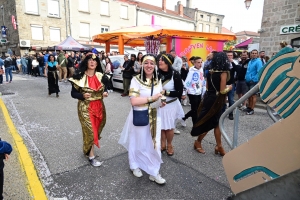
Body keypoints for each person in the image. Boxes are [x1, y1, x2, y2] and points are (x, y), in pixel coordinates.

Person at [119, 54, 167, 185]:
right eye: (146, 63)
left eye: (152, 63)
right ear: (142, 65)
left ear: (155, 66)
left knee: (154, 144)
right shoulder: (136, 80)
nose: (149, 66)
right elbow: (134, 101)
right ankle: (134, 164)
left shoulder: (158, 80)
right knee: (138, 142)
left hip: (155, 116)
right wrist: (152, 99)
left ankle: (154, 171)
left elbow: (160, 95)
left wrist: (162, 101)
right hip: (140, 115)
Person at [69, 53, 109, 167]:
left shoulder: (101, 76)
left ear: (97, 63)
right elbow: (73, 93)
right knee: (90, 131)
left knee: (96, 130)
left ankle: (87, 149)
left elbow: (106, 88)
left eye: (94, 60)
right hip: (85, 108)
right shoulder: (79, 76)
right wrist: (82, 96)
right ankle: (91, 156)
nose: (92, 62)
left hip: (99, 107)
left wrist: (105, 92)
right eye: (90, 60)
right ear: (86, 62)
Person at [191, 52, 232, 156]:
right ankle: (198, 142)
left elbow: (208, 87)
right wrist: (229, 88)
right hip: (218, 100)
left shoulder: (210, 72)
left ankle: (219, 146)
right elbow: (222, 90)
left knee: (216, 122)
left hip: (209, 98)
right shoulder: (223, 73)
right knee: (210, 122)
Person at [157, 53, 184, 156]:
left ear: (168, 63)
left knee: (169, 127)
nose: (160, 61)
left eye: (162, 60)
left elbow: (179, 92)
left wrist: (166, 92)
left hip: (171, 105)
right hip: (159, 105)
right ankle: (162, 144)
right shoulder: (156, 73)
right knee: (161, 126)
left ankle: (170, 145)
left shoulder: (175, 74)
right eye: (159, 60)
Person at [181, 57, 204, 125]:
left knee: (198, 109)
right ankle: (195, 125)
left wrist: (203, 90)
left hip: (199, 92)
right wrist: (184, 93)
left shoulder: (201, 70)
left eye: (201, 62)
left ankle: (184, 117)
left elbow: (202, 80)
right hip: (192, 92)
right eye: (198, 62)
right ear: (194, 63)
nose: (200, 64)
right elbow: (187, 83)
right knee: (194, 110)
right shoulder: (191, 71)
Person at [245, 49, 263, 115]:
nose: (254, 54)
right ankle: (249, 107)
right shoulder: (250, 61)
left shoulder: (258, 61)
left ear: (257, 54)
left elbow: (259, 71)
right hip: (248, 80)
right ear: (251, 54)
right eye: (253, 53)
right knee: (249, 95)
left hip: (253, 81)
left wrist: (254, 79)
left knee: (253, 96)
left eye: (255, 53)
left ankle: (252, 109)